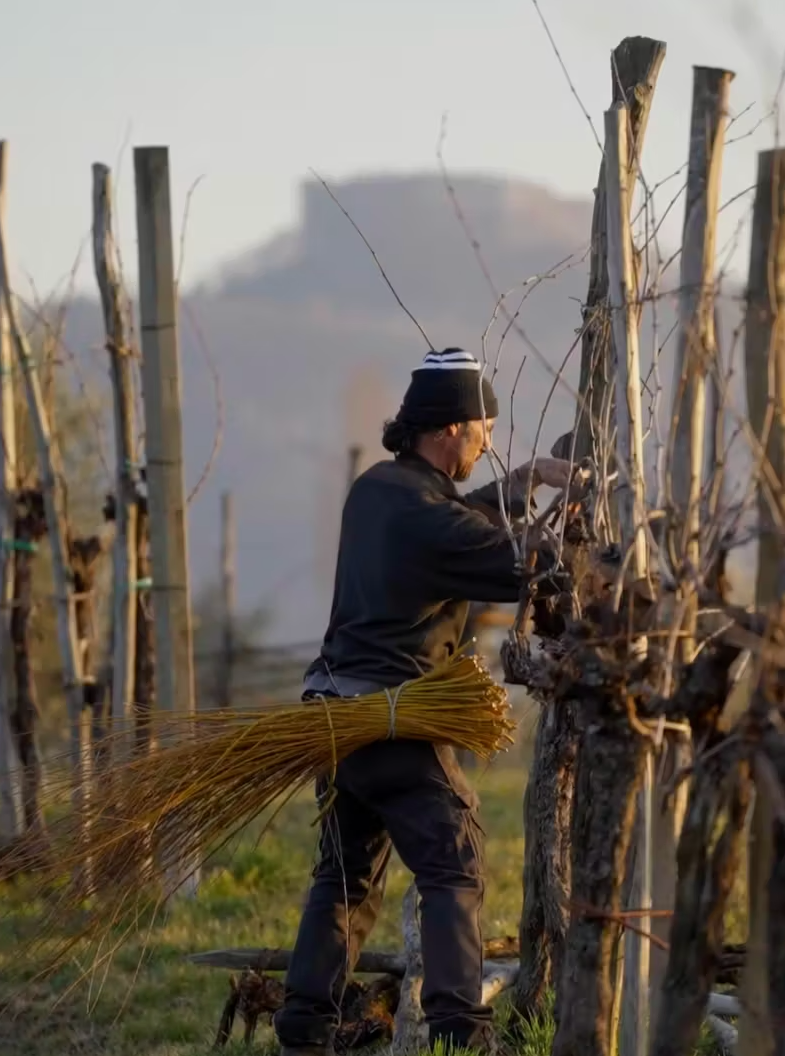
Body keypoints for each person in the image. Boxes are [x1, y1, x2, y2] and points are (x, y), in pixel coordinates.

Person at [274, 347, 574, 1056]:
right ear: (450, 429)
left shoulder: (379, 490)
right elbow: (520, 562)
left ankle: (303, 1033)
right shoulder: (427, 518)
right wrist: (577, 529)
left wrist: (527, 480)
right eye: (483, 432)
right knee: (453, 865)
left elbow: (459, 517)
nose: (488, 445)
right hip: (394, 725)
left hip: (335, 720)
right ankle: (460, 1037)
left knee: (343, 878)